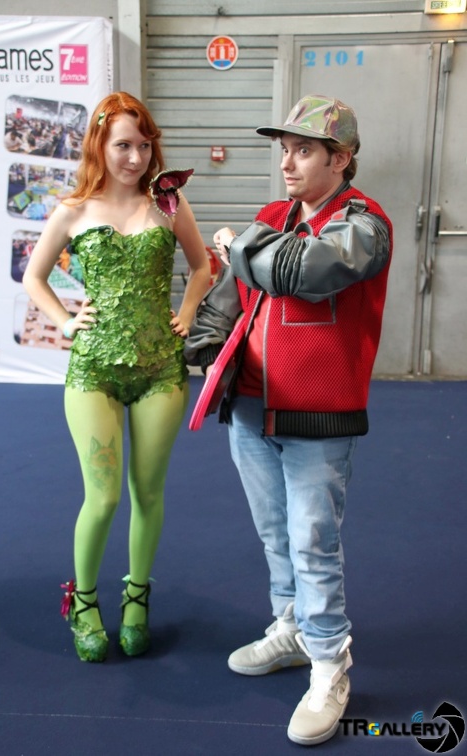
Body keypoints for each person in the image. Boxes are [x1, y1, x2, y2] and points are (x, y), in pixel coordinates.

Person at [184, 94, 392, 746]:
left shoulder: (364, 225)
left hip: (317, 414)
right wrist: (204, 344)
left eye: (304, 150)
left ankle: (330, 663)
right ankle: (294, 628)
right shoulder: (273, 217)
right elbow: (228, 295)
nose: (287, 163)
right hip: (249, 407)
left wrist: (234, 241)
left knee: (312, 540)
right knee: (276, 533)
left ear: (342, 157)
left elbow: (299, 270)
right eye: (285, 149)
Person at [23, 92, 211, 663]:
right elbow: (34, 278)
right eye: (123, 145)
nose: (135, 157)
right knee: (102, 497)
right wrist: (65, 321)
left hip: (161, 371)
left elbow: (201, 266)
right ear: (99, 145)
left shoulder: (169, 204)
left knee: (148, 493)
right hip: (94, 372)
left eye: (144, 145)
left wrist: (186, 313)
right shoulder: (73, 210)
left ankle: (136, 599)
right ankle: (82, 602)